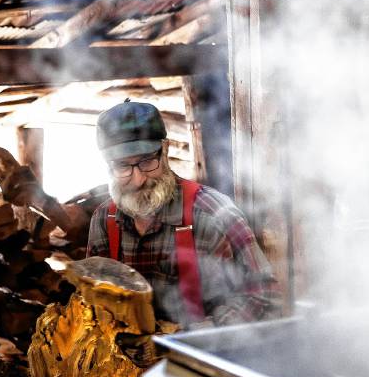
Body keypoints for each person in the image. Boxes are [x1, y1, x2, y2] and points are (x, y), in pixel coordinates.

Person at [87, 100, 281, 329]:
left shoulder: (213, 213)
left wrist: (198, 335)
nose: (138, 179)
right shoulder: (103, 221)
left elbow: (263, 292)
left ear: (165, 149)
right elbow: (92, 300)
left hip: (201, 357)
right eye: (122, 166)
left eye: (148, 161)